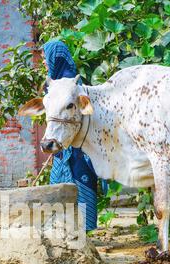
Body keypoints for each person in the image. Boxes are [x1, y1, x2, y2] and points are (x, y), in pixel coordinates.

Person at [42, 40, 98, 231]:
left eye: (46, 58)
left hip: (79, 148)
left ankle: (84, 230)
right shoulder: (53, 85)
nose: (44, 62)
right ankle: (64, 229)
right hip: (60, 144)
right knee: (59, 183)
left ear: (55, 58)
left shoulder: (74, 87)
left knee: (81, 182)